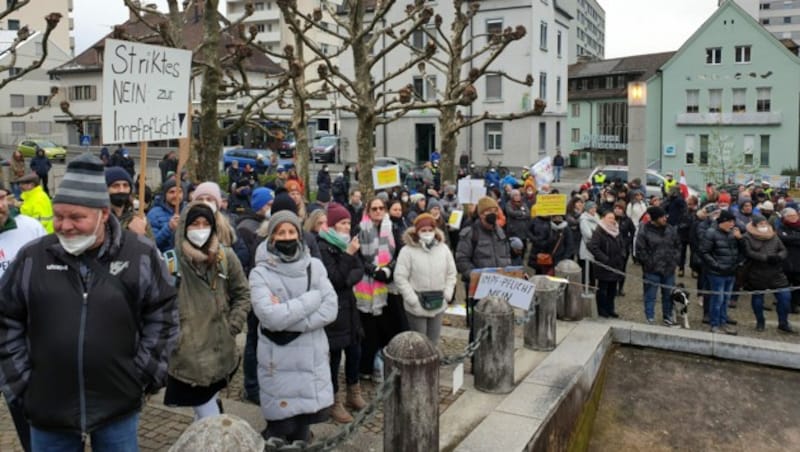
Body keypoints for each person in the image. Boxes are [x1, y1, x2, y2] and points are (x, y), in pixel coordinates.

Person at [0, 153, 179, 451]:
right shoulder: (33, 257)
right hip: (48, 410)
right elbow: (5, 318)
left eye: (76, 217)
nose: (64, 226)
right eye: (59, 216)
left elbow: (164, 316)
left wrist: (143, 376)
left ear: (103, 214)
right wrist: (22, 384)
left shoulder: (141, 255)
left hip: (117, 407)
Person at [249, 210, 338, 443]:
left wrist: (288, 315)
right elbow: (270, 317)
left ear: (299, 235)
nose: (287, 236)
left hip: (311, 361)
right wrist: (311, 300)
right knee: (279, 431)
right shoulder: (260, 273)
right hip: (279, 363)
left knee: (302, 431)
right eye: (281, 232)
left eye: (291, 231)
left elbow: (330, 309)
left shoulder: (315, 267)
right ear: (272, 238)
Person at [164, 202, 251, 419]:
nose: (200, 229)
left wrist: (233, 325)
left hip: (221, 351)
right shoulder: (170, 263)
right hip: (188, 356)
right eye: (195, 224)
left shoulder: (225, 257)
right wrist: (176, 336)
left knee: (206, 409)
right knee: (208, 414)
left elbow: (243, 293)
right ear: (184, 227)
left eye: (205, 223)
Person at [0, 182, 46, 452]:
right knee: (17, 397)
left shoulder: (29, 228)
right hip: (6, 340)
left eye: (3, 198)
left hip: (37, 329)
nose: (1, 206)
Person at [317, 203, 366, 424]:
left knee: (354, 352)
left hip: (350, 307)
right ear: (332, 225)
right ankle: (333, 400)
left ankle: (353, 392)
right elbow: (334, 278)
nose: (347, 227)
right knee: (334, 358)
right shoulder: (323, 246)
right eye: (342, 223)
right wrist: (347, 256)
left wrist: (347, 271)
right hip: (334, 311)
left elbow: (359, 269)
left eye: (348, 222)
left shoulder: (350, 244)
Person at [355, 197, 404, 382]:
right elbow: (358, 256)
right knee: (369, 332)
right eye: (373, 208)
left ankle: (384, 361)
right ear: (368, 210)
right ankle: (367, 366)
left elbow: (399, 252)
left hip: (387, 286)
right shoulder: (360, 229)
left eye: (380, 208)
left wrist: (387, 269)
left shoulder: (393, 229)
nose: (377, 211)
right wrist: (372, 270)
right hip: (366, 286)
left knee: (389, 328)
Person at [394, 213, 457, 345]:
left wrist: (448, 293)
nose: (427, 233)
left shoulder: (444, 249)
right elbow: (400, 277)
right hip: (417, 303)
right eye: (423, 230)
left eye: (430, 230)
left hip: (439, 301)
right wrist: (412, 299)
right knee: (419, 343)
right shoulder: (407, 251)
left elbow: (451, 273)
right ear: (417, 231)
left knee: (433, 342)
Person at [455, 197, 511, 333]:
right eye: (488, 211)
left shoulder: (500, 232)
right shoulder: (470, 233)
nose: (492, 213)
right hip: (479, 289)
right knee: (479, 329)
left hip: (499, 287)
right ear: (481, 214)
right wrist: (475, 276)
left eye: (494, 210)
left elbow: (506, 256)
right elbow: (462, 260)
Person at [742, 215, 796, 334]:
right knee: (758, 299)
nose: (764, 225)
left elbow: (783, 249)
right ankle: (760, 321)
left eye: (765, 223)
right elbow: (749, 252)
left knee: (785, 297)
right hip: (757, 272)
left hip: (776, 273)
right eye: (761, 223)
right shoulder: (747, 236)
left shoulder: (773, 235)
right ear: (755, 225)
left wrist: (778, 257)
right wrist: (766, 258)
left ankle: (783, 322)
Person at [635, 206, 680, 325]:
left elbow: (677, 246)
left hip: (669, 269)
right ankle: (650, 317)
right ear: (655, 218)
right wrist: (648, 263)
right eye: (661, 217)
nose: (665, 218)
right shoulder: (644, 230)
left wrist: (674, 261)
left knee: (668, 295)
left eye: (665, 216)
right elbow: (640, 250)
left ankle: (667, 316)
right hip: (652, 270)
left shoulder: (670, 229)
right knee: (650, 295)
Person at [699, 209, 742, 335]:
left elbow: (741, 250)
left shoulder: (732, 234)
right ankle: (715, 324)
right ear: (723, 221)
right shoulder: (711, 233)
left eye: (733, 221)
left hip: (730, 272)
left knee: (725, 300)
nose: (732, 224)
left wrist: (740, 239)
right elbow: (704, 252)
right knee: (717, 299)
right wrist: (716, 265)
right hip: (716, 273)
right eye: (730, 221)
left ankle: (723, 322)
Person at [587, 209, 626, 318]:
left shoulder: (617, 230)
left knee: (612, 289)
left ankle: (610, 309)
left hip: (616, 264)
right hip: (604, 265)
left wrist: (622, 255)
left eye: (613, 218)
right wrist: (604, 258)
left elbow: (622, 244)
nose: (612, 220)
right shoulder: (599, 231)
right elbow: (592, 246)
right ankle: (602, 309)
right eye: (609, 218)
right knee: (603, 289)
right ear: (603, 219)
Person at [105, 166, 151, 238]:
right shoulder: (99, 218)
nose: (121, 190)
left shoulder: (138, 218)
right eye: (115, 186)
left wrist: (142, 235)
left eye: (125, 185)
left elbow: (152, 247)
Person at [147, 177, 184, 253]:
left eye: (179, 192)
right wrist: (169, 227)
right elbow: (152, 242)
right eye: (172, 192)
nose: (176, 195)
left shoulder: (187, 210)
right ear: (165, 194)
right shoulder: (154, 214)